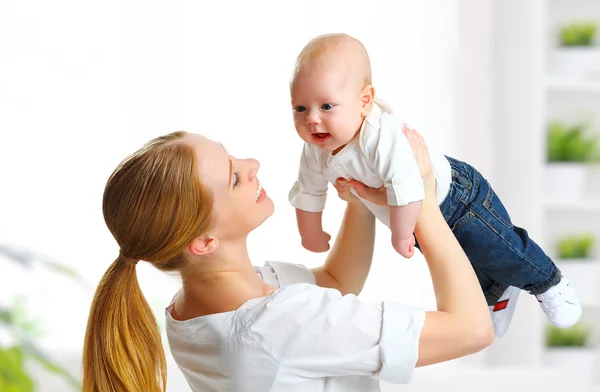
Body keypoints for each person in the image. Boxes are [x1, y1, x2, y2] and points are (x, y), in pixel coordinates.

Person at [82, 128, 493, 392]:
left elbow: (335, 281)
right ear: (203, 242)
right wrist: (421, 203)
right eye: (234, 177)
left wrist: (358, 195)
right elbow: (473, 330)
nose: (252, 165)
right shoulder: (280, 322)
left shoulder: (195, 311)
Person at [288, 33, 581, 337]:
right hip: (415, 217)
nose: (312, 119)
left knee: (495, 246)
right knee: (462, 264)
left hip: (454, 197)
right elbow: (308, 191)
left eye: (326, 106)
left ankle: (548, 281)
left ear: (364, 101)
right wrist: (311, 234)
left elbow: (408, 188)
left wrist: (401, 235)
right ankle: (497, 293)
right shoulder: (314, 151)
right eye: (300, 109)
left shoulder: (381, 136)